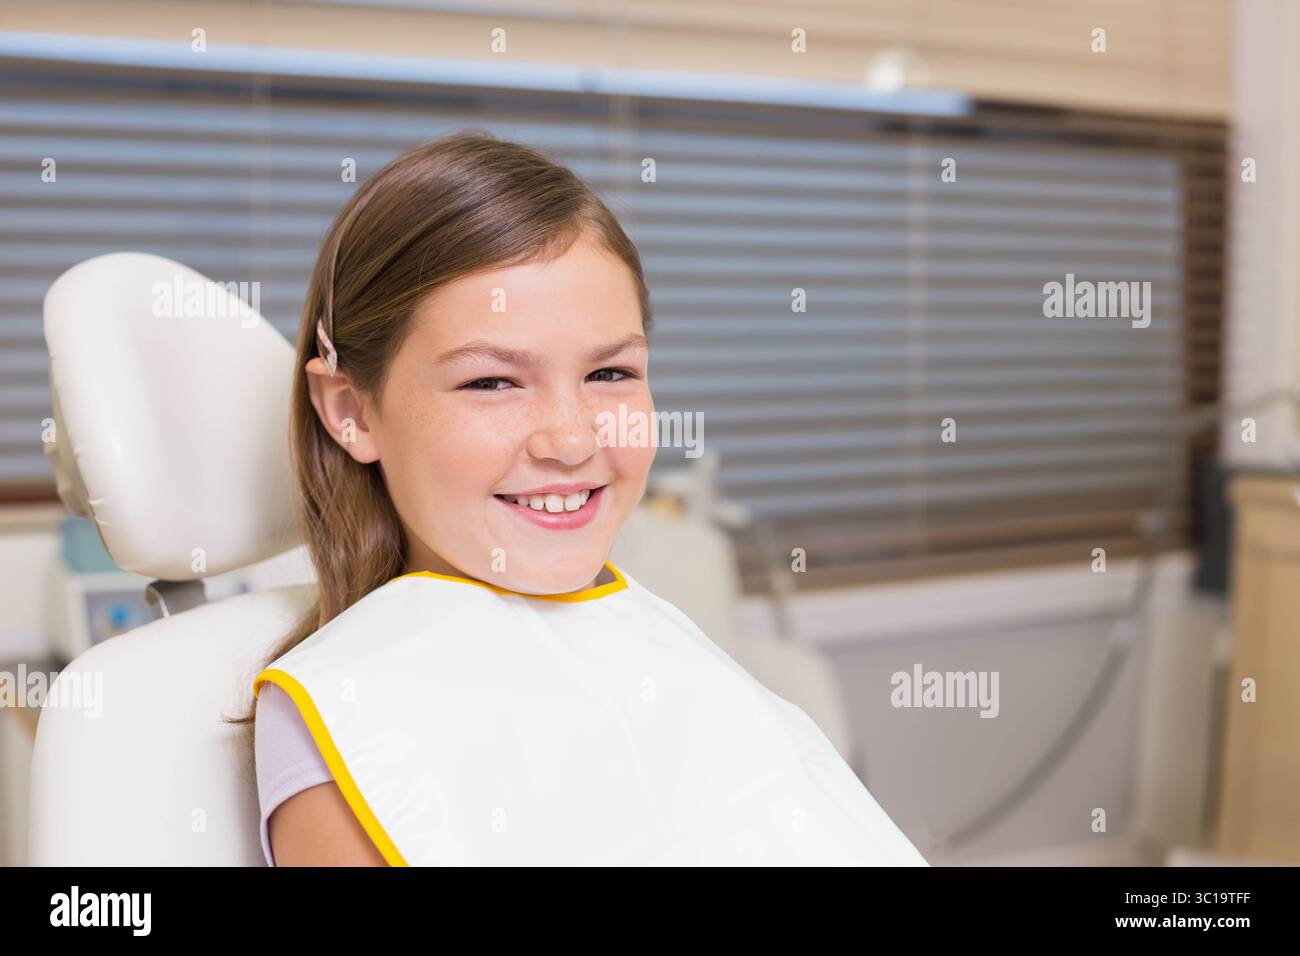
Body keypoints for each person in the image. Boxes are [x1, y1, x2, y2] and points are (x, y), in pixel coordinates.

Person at [235, 130, 928, 866]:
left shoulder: (655, 638)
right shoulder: (347, 720)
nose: (570, 440)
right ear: (352, 410)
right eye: (492, 382)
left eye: (610, 374)